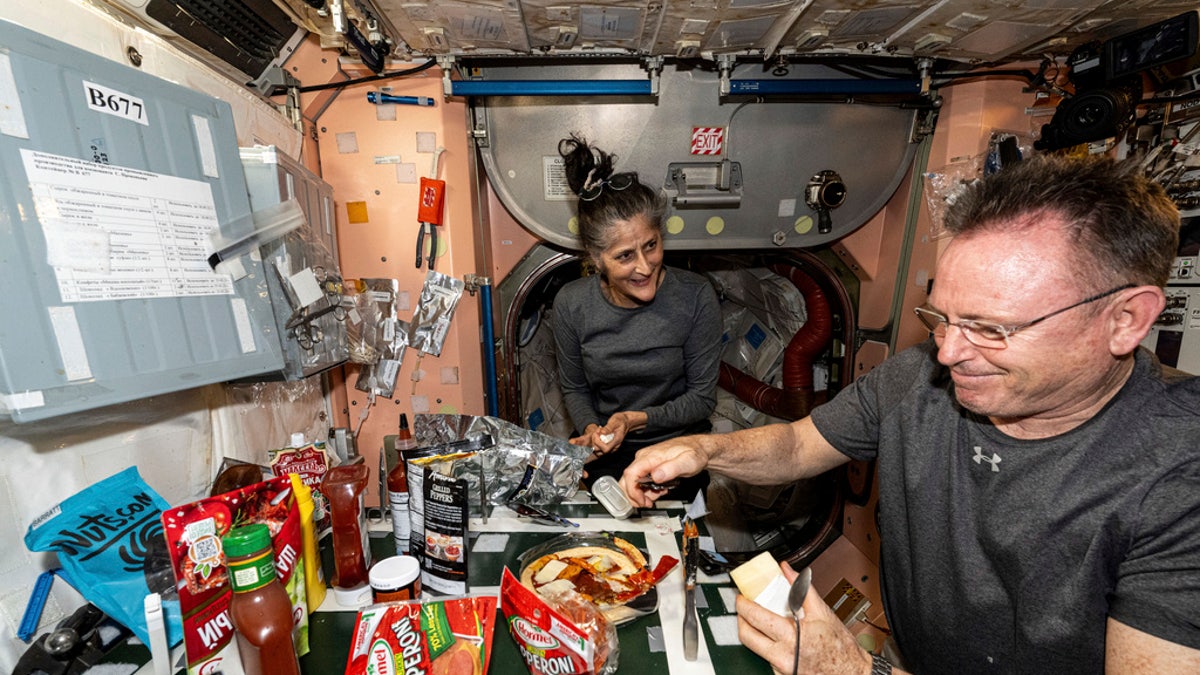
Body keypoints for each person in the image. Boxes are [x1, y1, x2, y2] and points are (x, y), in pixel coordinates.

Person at [620, 154, 1200, 674]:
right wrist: (704, 449)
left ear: (1125, 319)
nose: (948, 353)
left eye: (992, 328)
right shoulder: (918, 376)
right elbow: (800, 446)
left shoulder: (1182, 473)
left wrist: (849, 672)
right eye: (941, 318)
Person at [553, 134, 722, 500]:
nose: (644, 267)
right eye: (625, 256)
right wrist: (593, 428)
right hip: (609, 452)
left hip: (680, 451)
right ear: (596, 258)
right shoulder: (570, 305)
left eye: (651, 245)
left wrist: (633, 419)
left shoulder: (695, 296)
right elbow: (575, 387)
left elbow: (702, 398)